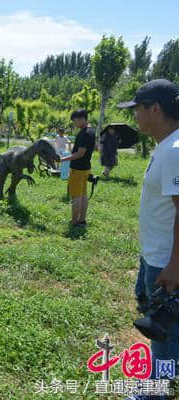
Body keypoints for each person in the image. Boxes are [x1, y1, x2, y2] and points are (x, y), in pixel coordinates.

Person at [118, 79, 179, 400]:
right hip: (155, 255)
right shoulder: (166, 145)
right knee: (161, 324)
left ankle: (156, 391)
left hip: (167, 262)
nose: (135, 117)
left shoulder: (175, 150)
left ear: (155, 108)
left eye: (137, 110)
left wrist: (174, 265)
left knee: (165, 333)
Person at [60, 109, 95, 227]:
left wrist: (62, 159)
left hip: (78, 169)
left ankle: (74, 221)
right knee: (83, 195)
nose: (74, 124)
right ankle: (82, 220)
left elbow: (80, 153)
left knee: (76, 196)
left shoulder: (84, 133)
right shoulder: (91, 131)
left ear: (81, 119)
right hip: (86, 168)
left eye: (75, 121)